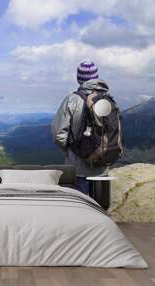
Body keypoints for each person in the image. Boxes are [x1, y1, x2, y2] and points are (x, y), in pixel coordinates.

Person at [52, 60, 110, 195]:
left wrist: (70, 151)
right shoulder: (107, 99)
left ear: (79, 79)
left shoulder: (72, 100)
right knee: (100, 209)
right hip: (103, 169)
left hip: (78, 169)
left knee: (80, 210)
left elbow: (58, 135)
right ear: (96, 77)